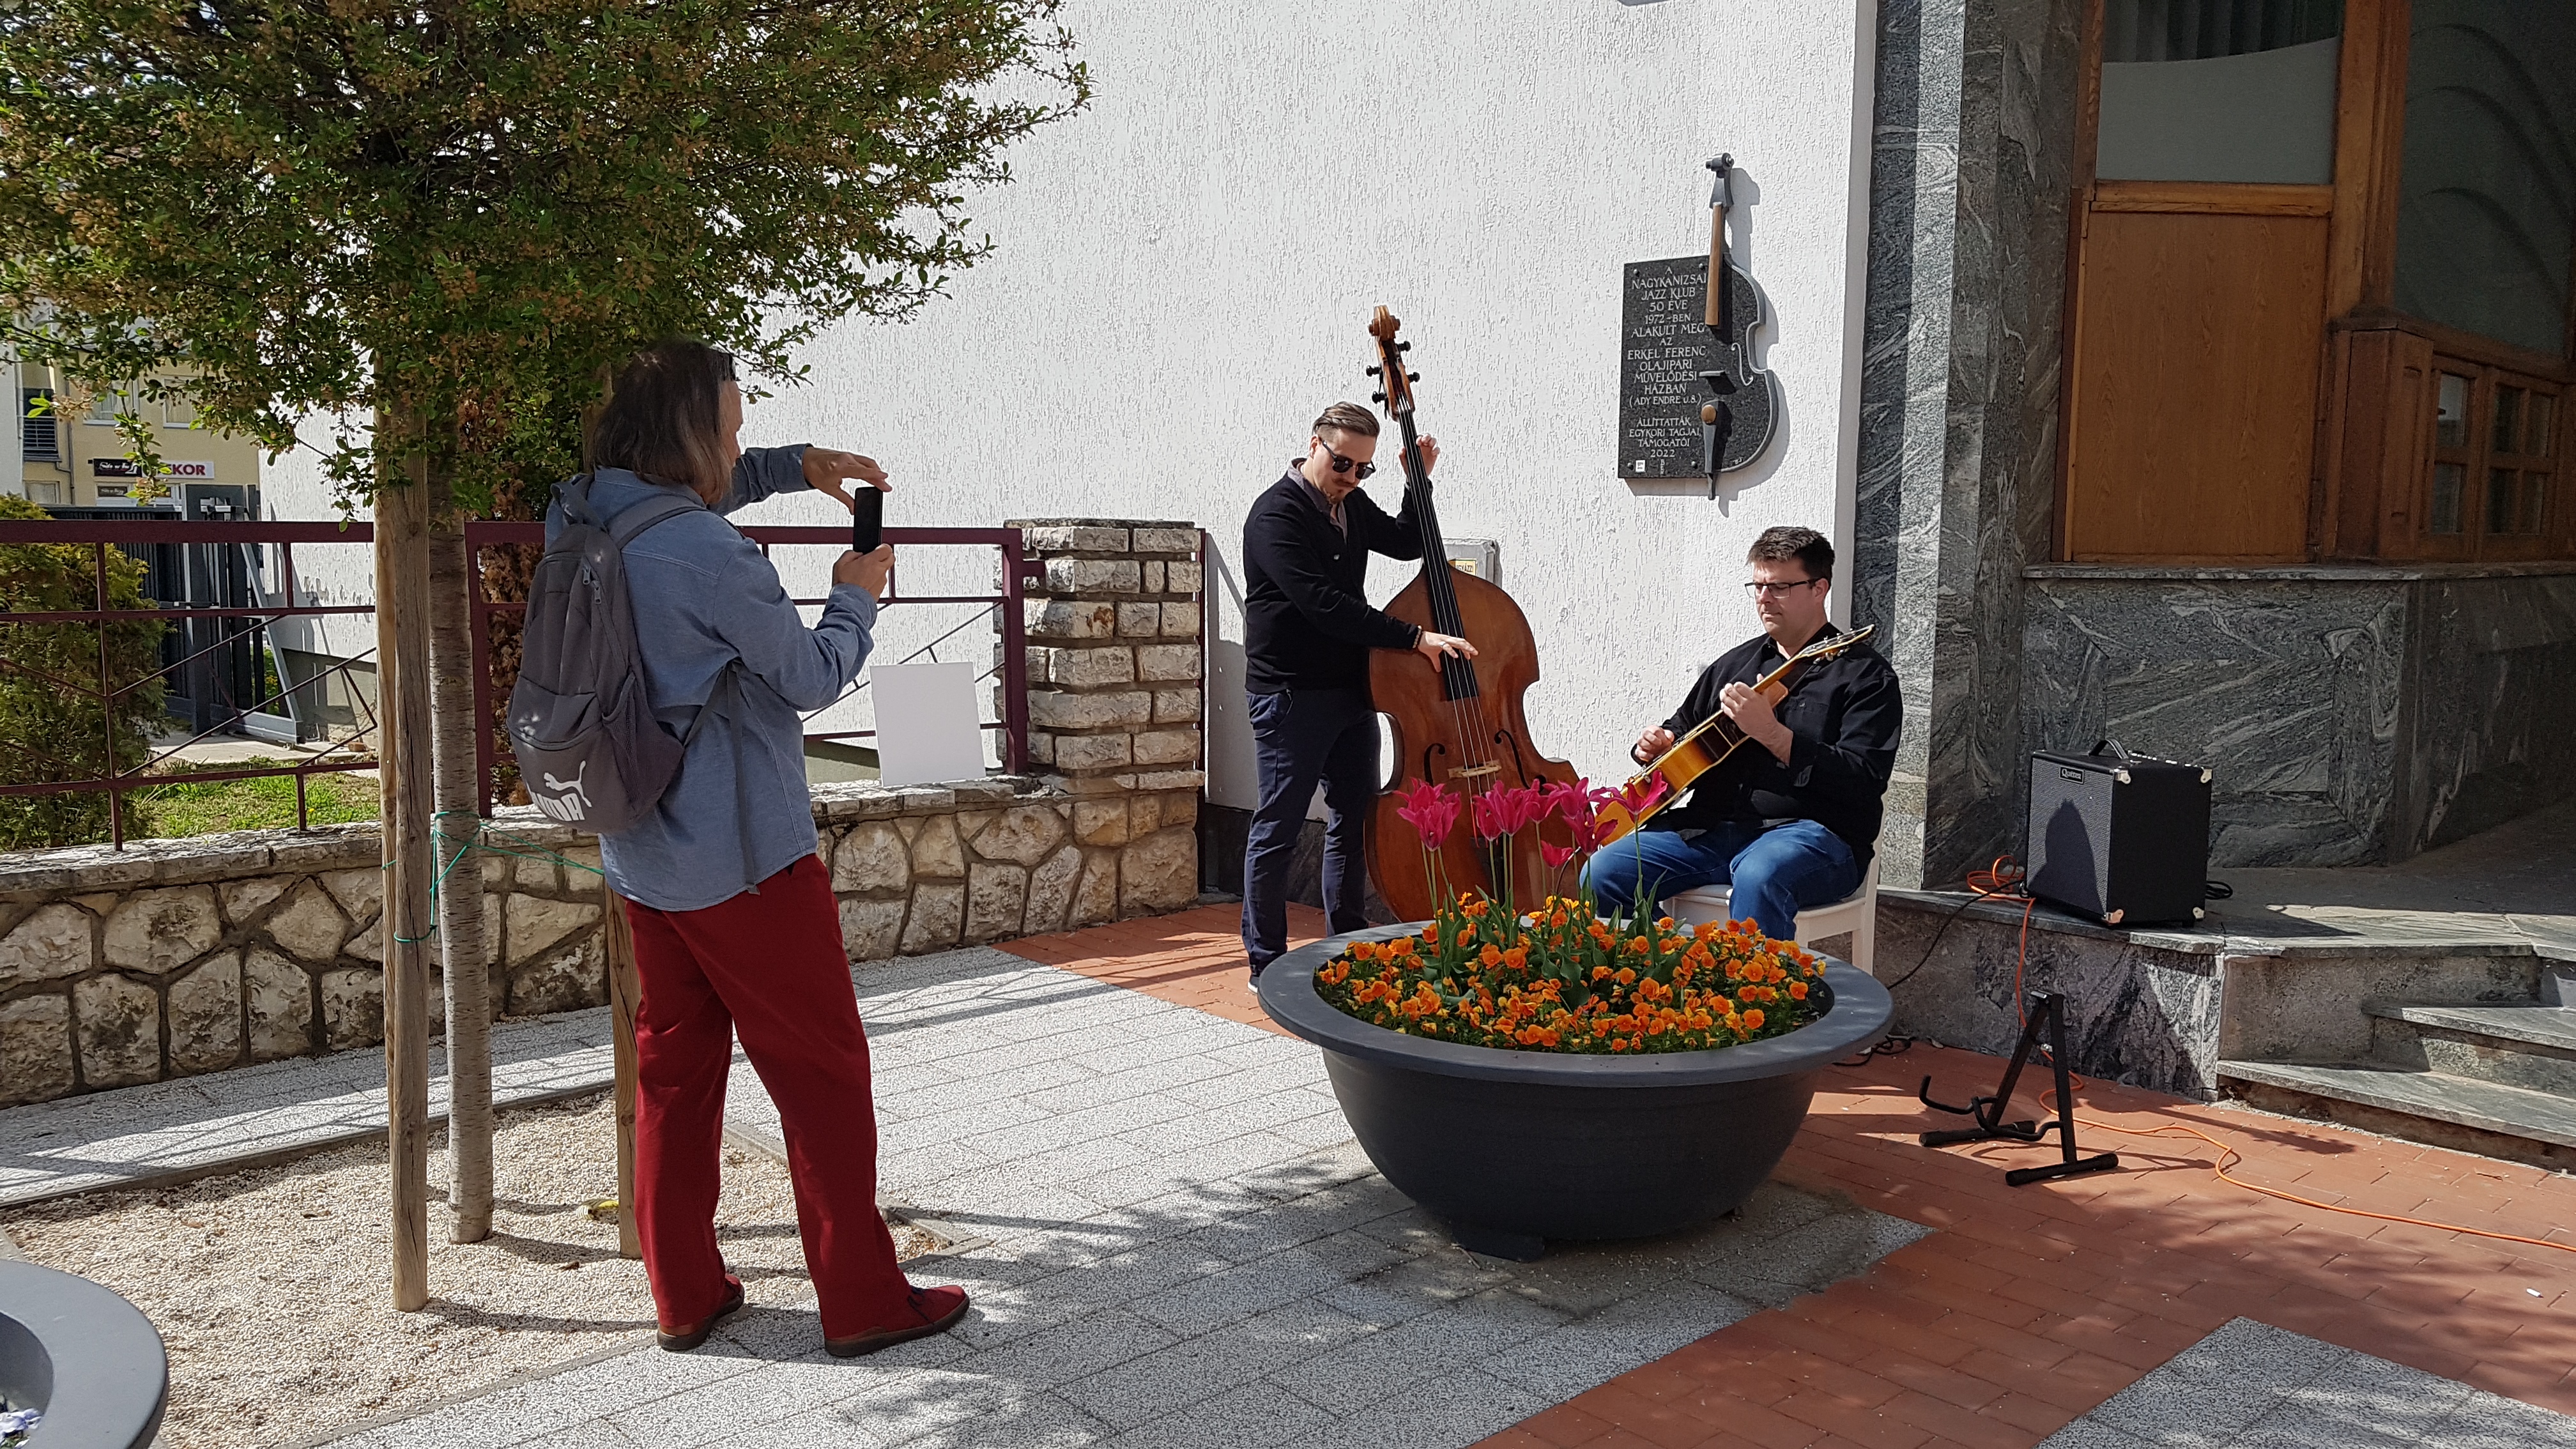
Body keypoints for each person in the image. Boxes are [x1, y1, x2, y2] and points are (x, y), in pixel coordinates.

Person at [551, 339, 969, 1358]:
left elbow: (670, 512)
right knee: (822, 1074)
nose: (740, 448)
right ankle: (866, 1301)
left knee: (676, 1072)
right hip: (744, 858)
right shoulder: (707, 553)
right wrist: (856, 592)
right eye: (733, 432)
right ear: (689, 433)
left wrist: (796, 465)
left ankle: (684, 1293)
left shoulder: (582, 513)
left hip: (642, 847)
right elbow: (811, 676)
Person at [1238, 401, 1475, 981]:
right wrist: (1414, 637)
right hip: (1290, 696)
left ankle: (1345, 949)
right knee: (1279, 828)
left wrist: (1417, 482)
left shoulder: (1349, 502)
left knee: (1353, 820)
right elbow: (1325, 606)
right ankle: (1264, 962)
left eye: (1363, 469)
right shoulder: (1276, 517)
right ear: (1313, 445)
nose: (1350, 477)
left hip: (1351, 690)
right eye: (1342, 463)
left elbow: (1407, 541)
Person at [1582, 526, 1900, 942]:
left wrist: (1774, 735)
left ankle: (1755, 984)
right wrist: (1658, 746)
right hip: (1711, 828)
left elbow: (1863, 777)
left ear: (1819, 588)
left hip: (1815, 835)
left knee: (1760, 875)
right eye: (1758, 586)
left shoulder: (1866, 676)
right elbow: (1680, 729)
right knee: (1602, 873)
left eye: (1780, 587)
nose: (1765, 598)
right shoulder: (1734, 665)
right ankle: (1667, 973)